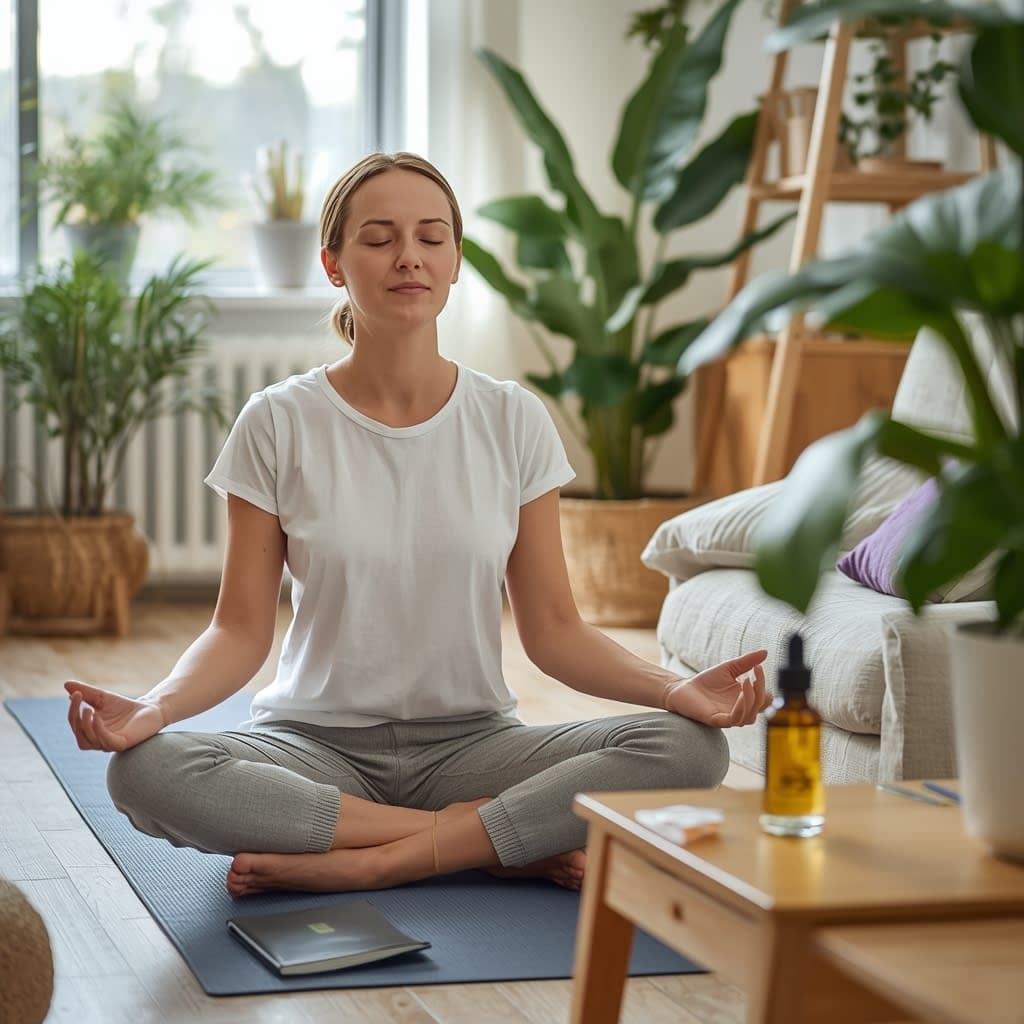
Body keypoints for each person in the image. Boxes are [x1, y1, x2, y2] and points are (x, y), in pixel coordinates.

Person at [65, 152, 770, 898]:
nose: (410, 257)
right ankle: (488, 843)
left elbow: (556, 631)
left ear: (456, 261)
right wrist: (156, 706)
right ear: (335, 264)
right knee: (146, 770)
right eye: (380, 238)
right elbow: (239, 630)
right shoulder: (277, 421)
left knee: (692, 750)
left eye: (432, 237)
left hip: (476, 747)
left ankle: (376, 857)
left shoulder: (512, 418)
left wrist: (674, 690)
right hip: (311, 747)